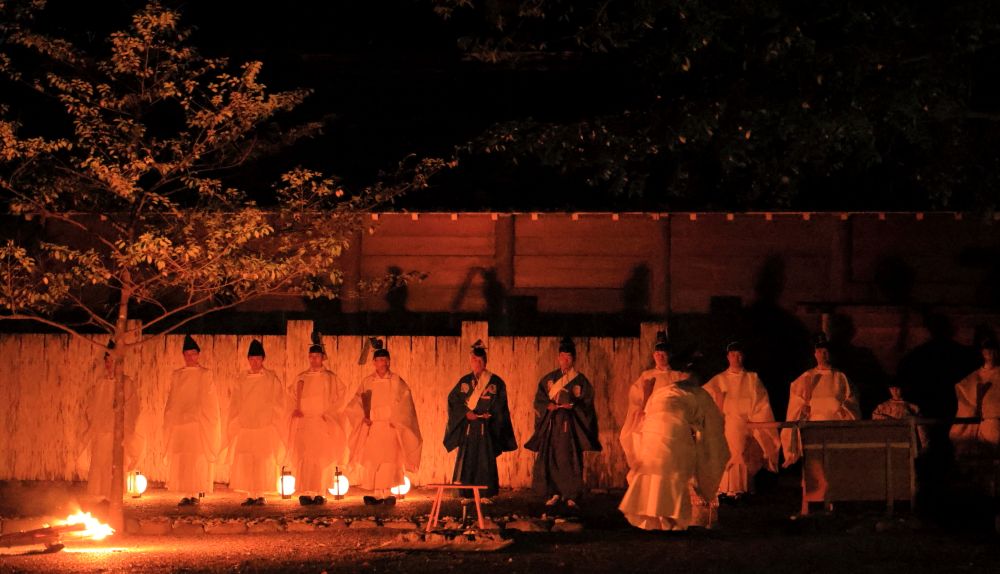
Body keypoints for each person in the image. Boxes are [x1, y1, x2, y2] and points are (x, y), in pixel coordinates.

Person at [618, 332, 729, 531]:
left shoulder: (668, 389)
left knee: (657, 475)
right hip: (670, 436)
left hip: (654, 438)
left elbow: (650, 412)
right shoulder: (697, 394)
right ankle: (671, 521)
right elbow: (712, 430)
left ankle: (660, 520)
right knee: (674, 475)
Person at [524, 337, 601, 508]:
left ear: (573, 359)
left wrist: (574, 407)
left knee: (570, 458)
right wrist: (548, 406)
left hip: (571, 426)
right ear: (558, 358)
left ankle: (571, 495)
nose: (565, 360)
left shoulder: (580, 381)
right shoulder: (549, 379)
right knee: (551, 458)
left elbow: (587, 404)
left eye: (569, 357)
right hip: (553, 424)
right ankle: (555, 493)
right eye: (562, 357)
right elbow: (539, 401)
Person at [346, 338, 422, 505]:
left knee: (389, 461)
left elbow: (405, 401)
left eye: (385, 359)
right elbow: (357, 401)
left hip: (389, 426)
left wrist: (398, 418)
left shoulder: (396, 380)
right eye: (379, 359)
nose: (382, 362)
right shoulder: (367, 381)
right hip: (374, 426)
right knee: (374, 460)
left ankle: (386, 493)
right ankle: (375, 493)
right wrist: (363, 417)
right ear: (374, 362)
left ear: (389, 361)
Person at [702, 341, 779, 501]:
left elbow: (761, 403)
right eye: (732, 355)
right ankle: (722, 489)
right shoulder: (719, 379)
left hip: (745, 424)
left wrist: (753, 420)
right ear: (728, 357)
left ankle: (741, 489)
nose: (735, 358)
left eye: (738, 354)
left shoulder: (752, 378)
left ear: (742, 356)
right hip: (724, 422)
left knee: (741, 449)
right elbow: (705, 397)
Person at [444, 340, 517, 503]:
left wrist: (490, 414)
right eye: (473, 360)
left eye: (479, 361)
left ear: (485, 362)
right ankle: (467, 494)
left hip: (487, 426)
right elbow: (453, 400)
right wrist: (465, 413)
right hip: (469, 427)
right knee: (468, 459)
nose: (475, 364)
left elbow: (501, 404)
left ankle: (486, 494)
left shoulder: (496, 382)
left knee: (485, 459)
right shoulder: (464, 382)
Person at [287, 332, 350, 506]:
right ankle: (306, 492)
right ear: (309, 357)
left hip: (323, 423)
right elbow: (292, 396)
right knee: (305, 457)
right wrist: (296, 410)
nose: (314, 359)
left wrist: (330, 413)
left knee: (322, 458)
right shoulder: (301, 377)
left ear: (322, 358)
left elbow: (341, 396)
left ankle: (320, 492)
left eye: (317, 356)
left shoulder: (330, 378)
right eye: (312, 356)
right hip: (306, 423)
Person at [780, 333, 861, 467]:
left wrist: (844, 409)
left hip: (835, 430)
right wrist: (802, 409)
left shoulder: (841, 377)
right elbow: (796, 404)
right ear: (815, 354)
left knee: (835, 464)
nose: (823, 355)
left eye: (825, 352)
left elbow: (852, 400)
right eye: (819, 352)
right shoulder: (806, 377)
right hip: (813, 430)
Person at [226, 339, 286, 506]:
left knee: (262, 459)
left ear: (263, 359)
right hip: (246, 425)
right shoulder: (241, 379)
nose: (255, 362)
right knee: (247, 460)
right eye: (252, 359)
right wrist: (237, 420)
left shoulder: (271, 378)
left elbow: (278, 400)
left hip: (264, 425)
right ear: (248, 360)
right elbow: (235, 402)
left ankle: (260, 494)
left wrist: (271, 418)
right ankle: (250, 494)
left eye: (258, 358)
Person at [163, 334, 221, 506]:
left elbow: (209, 399)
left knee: (197, 458)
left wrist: (198, 414)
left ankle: (195, 492)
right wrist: (172, 418)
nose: (190, 357)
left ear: (198, 355)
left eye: (193, 353)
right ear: (183, 356)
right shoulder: (177, 375)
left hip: (197, 424)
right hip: (180, 424)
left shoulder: (205, 374)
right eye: (187, 354)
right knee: (183, 458)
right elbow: (173, 399)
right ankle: (186, 493)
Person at [84, 340, 144, 499]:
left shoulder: (127, 383)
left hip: (117, 434)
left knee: (114, 465)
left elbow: (133, 409)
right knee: (100, 464)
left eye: (113, 361)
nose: (110, 364)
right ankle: (102, 498)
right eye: (107, 360)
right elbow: (93, 407)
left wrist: (121, 420)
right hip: (101, 433)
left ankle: (113, 499)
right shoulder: (100, 383)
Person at [949, 337, 1000, 457]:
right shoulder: (975, 375)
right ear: (983, 353)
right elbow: (963, 389)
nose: (990, 354)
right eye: (987, 351)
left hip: (993, 421)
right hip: (974, 422)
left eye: (992, 351)